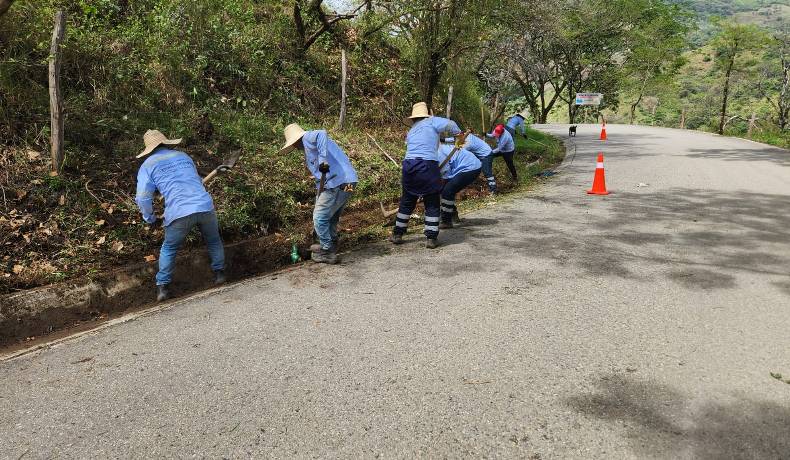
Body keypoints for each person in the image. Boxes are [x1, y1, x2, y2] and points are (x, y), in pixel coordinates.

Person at [134, 129, 225, 302]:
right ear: (165, 142)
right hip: (204, 206)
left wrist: (150, 218)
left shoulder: (147, 165)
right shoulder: (183, 157)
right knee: (213, 240)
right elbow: (196, 181)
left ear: (149, 148)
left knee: (169, 248)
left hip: (178, 212)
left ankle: (163, 288)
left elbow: (143, 197)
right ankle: (220, 274)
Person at [279, 124, 358, 264]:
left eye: (294, 144)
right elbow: (320, 179)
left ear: (296, 140)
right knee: (332, 216)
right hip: (350, 183)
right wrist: (318, 196)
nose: (295, 148)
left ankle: (327, 250)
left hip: (339, 182)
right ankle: (332, 244)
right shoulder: (309, 151)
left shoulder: (307, 138)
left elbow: (322, 133)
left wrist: (323, 159)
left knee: (319, 217)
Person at [390, 102, 462, 249]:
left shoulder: (412, 131)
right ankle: (431, 237)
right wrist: (459, 135)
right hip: (427, 166)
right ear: (426, 115)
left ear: (413, 118)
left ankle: (397, 234)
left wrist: (451, 140)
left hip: (409, 166)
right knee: (432, 201)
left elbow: (431, 141)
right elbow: (451, 124)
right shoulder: (432, 121)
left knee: (407, 200)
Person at [436, 142, 482, 229]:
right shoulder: (435, 150)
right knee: (445, 191)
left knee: (447, 191)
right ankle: (453, 215)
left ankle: (446, 221)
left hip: (470, 167)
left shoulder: (437, 153)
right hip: (465, 166)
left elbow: (445, 174)